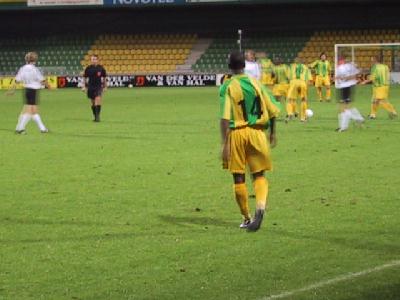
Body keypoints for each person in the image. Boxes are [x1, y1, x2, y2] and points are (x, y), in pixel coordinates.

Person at [220, 51, 279, 232]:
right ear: (244, 66)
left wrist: (224, 144)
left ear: (229, 66)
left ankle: (247, 218)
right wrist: (273, 133)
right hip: (258, 133)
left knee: (239, 177)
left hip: (237, 134)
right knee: (259, 175)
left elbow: (224, 118)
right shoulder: (256, 83)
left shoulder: (228, 86)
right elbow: (272, 110)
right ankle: (260, 207)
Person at [8, 52, 51, 134]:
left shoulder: (22, 68)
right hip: (33, 91)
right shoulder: (34, 69)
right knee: (30, 111)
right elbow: (42, 80)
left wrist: (12, 90)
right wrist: (48, 86)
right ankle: (20, 129)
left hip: (26, 90)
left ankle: (42, 129)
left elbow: (16, 80)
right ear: (35, 60)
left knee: (31, 111)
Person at [335, 56, 364, 132]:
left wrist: (344, 78)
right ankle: (357, 119)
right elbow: (358, 72)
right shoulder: (350, 65)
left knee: (342, 108)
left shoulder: (342, 67)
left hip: (345, 87)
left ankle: (345, 126)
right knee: (347, 106)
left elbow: (354, 74)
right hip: (349, 87)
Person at [83, 55, 107, 122]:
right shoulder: (88, 68)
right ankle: (95, 116)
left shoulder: (101, 68)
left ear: (97, 60)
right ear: (91, 60)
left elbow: (104, 78)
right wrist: (84, 86)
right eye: (92, 59)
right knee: (93, 103)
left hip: (98, 87)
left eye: (95, 59)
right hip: (90, 87)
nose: (93, 60)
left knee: (97, 100)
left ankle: (97, 117)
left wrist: (105, 86)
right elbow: (85, 78)